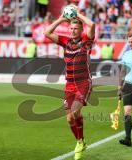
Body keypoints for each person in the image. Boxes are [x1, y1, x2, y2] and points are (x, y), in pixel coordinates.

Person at [44, 5, 95, 160]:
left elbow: (92, 25)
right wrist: (61, 18)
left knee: (73, 113)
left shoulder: (86, 41)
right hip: (69, 84)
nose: (72, 31)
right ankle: (81, 141)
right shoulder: (65, 41)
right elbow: (47, 33)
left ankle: (80, 143)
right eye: (71, 28)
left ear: (80, 30)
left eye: (75, 28)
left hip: (83, 83)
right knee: (70, 117)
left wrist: (78, 14)